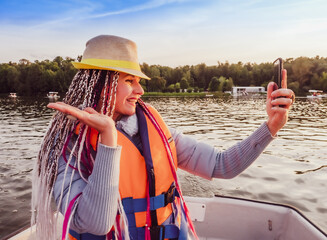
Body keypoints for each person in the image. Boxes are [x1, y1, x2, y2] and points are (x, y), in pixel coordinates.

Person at [32, 35, 295, 240]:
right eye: (129, 80)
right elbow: (97, 224)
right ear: (102, 83)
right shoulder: (68, 147)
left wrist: (271, 127)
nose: (140, 89)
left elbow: (222, 165)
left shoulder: (152, 128)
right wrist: (108, 137)